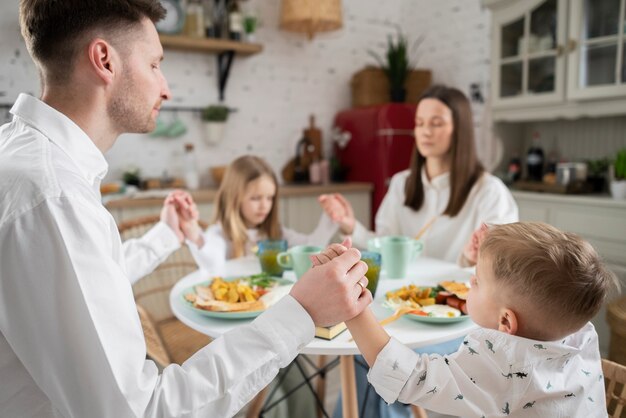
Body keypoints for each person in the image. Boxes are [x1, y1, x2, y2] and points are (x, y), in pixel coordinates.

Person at [0, 1, 372, 416]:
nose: (166, 88)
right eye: (155, 64)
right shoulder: (53, 194)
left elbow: (80, 284)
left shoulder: (26, 162)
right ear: (104, 60)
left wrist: (165, 236)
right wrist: (301, 312)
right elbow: (143, 410)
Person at [315, 222, 619, 417]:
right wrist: (493, 258)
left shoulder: (505, 366)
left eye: (475, 280)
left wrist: (352, 306)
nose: (468, 283)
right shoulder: (578, 333)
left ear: (506, 323)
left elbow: (410, 377)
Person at [320, 85, 519, 266]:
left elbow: (502, 267)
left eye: (436, 123)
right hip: (403, 298)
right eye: (420, 123)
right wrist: (350, 225)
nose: (425, 132)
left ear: (460, 129)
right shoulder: (401, 183)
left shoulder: (490, 191)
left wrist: (469, 259)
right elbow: (385, 244)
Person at [181, 155, 338, 273]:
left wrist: (331, 216)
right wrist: (195, 236)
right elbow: (212, 263)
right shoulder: (219, 233)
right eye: (255, 198)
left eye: (270, 198)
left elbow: (311, 247)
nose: (264, 206)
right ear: (234, 198)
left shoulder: (276, 233)